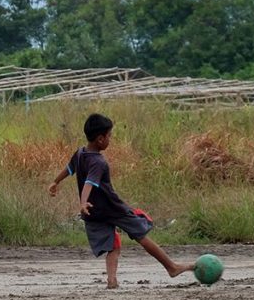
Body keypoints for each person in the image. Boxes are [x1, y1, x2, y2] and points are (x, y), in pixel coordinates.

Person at [48, 113, 194, 288]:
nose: (111, 139)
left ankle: (112, 280)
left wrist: (55, 181)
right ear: (101, 139)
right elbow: (89, 183)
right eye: (109, 136)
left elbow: (69, 168)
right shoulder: (98, 162)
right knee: (140, 234)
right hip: (112, 208)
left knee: (113, 244)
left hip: (93, 212)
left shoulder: (80, 153)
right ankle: (172, 267)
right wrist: (82, 201)